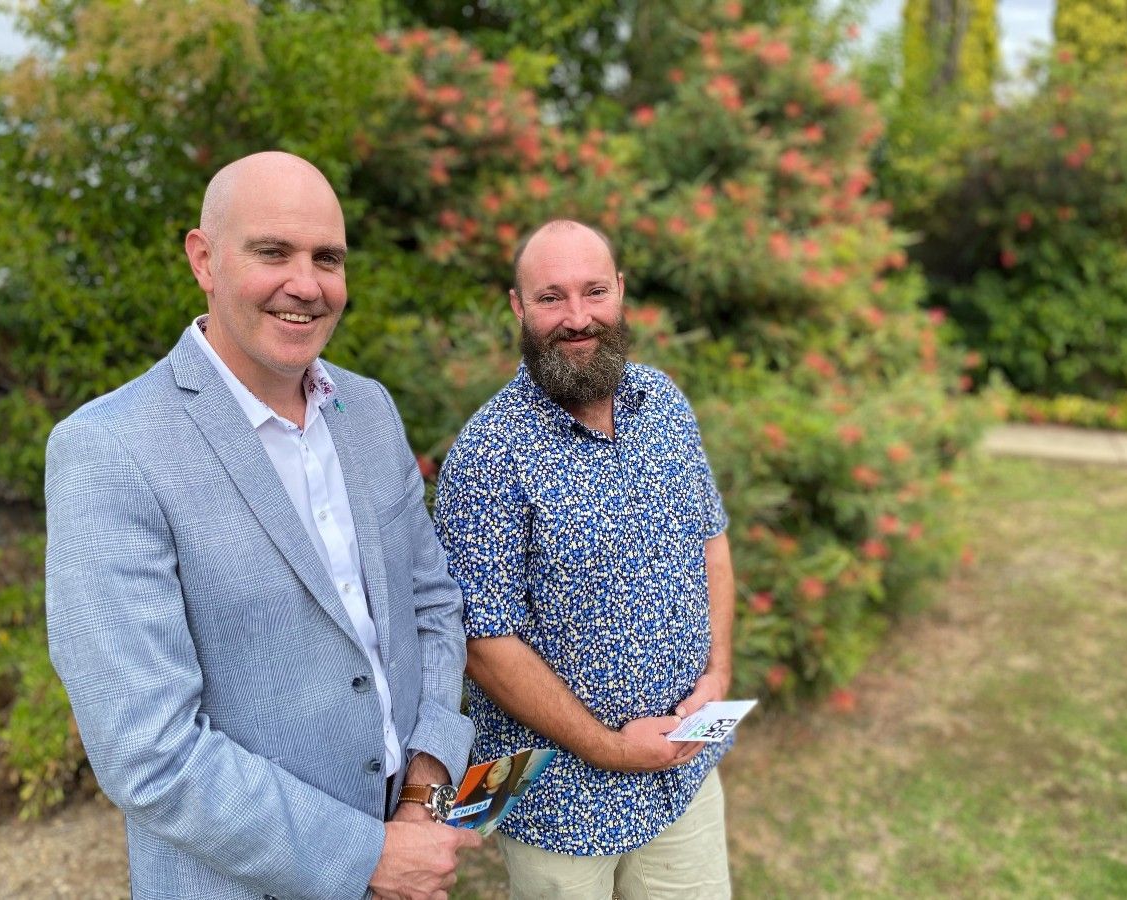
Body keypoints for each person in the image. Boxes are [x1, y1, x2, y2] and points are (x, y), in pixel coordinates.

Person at [45, 151, 481, 900]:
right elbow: (149, 753)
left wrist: (423, 789)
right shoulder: (109, 451)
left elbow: (434, 608)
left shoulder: (369, 410)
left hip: (412, 859)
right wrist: (368, 857)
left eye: (328, 258)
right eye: (273, 252)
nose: (306, 284)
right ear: (204, 259)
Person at [434, 219, 736, 898]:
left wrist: (717, 673)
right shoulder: (487, 454)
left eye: (594, 291)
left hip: (683, 770)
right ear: (517, 306)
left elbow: (710, 540)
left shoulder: (664, 403)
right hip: (554, 799)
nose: (577, 317)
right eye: (550, 298)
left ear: (621, 293)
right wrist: (613, 748)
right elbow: (483, 643)